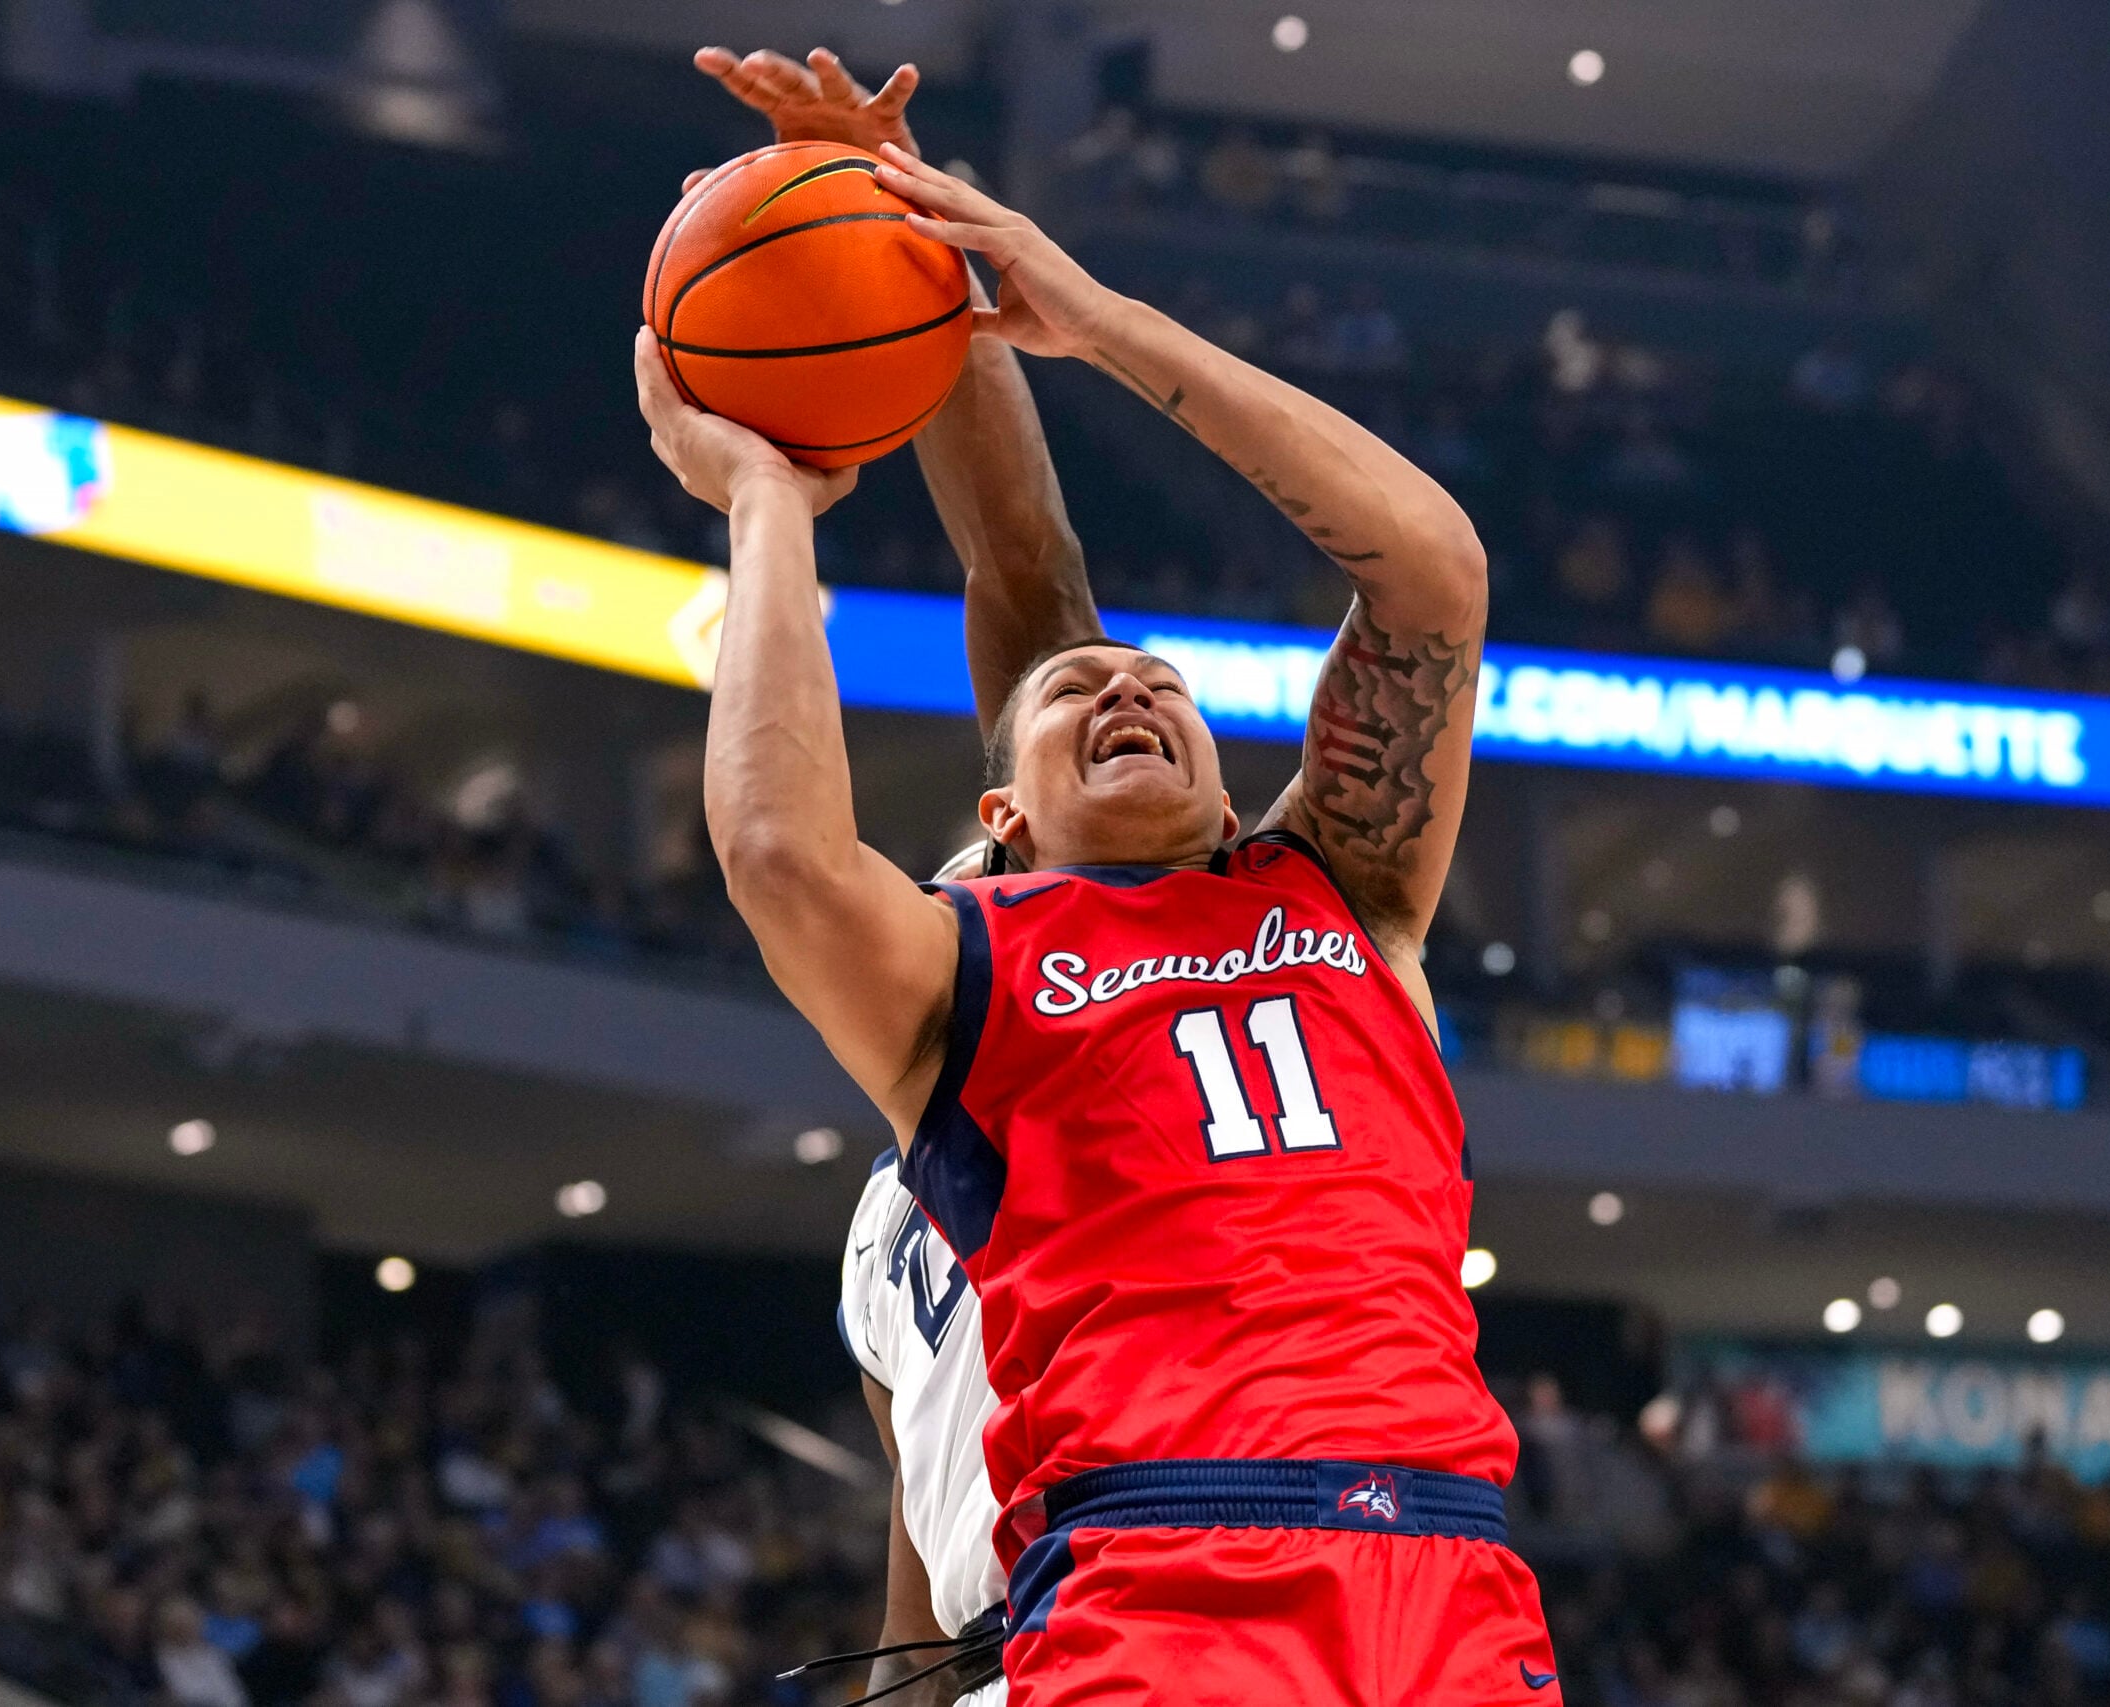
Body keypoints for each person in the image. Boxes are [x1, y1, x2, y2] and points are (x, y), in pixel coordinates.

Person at [635, 145, 1558, 1705]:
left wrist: (1070, 306)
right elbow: (789, 844)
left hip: (1449, 1584)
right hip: (1155, 1588)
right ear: (999, 826)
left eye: (1165, 685)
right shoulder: (966, 988)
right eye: (1077, 692)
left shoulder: (1342, 886)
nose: (1127, 682)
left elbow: (1431, 575)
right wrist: (769, 506)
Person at [686, 44, 1103, 1707]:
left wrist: (908, 249)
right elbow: (926, 1589)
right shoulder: (883, 1233)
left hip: (1159, 1623)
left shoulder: (1113, 977)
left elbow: (1029, 572)